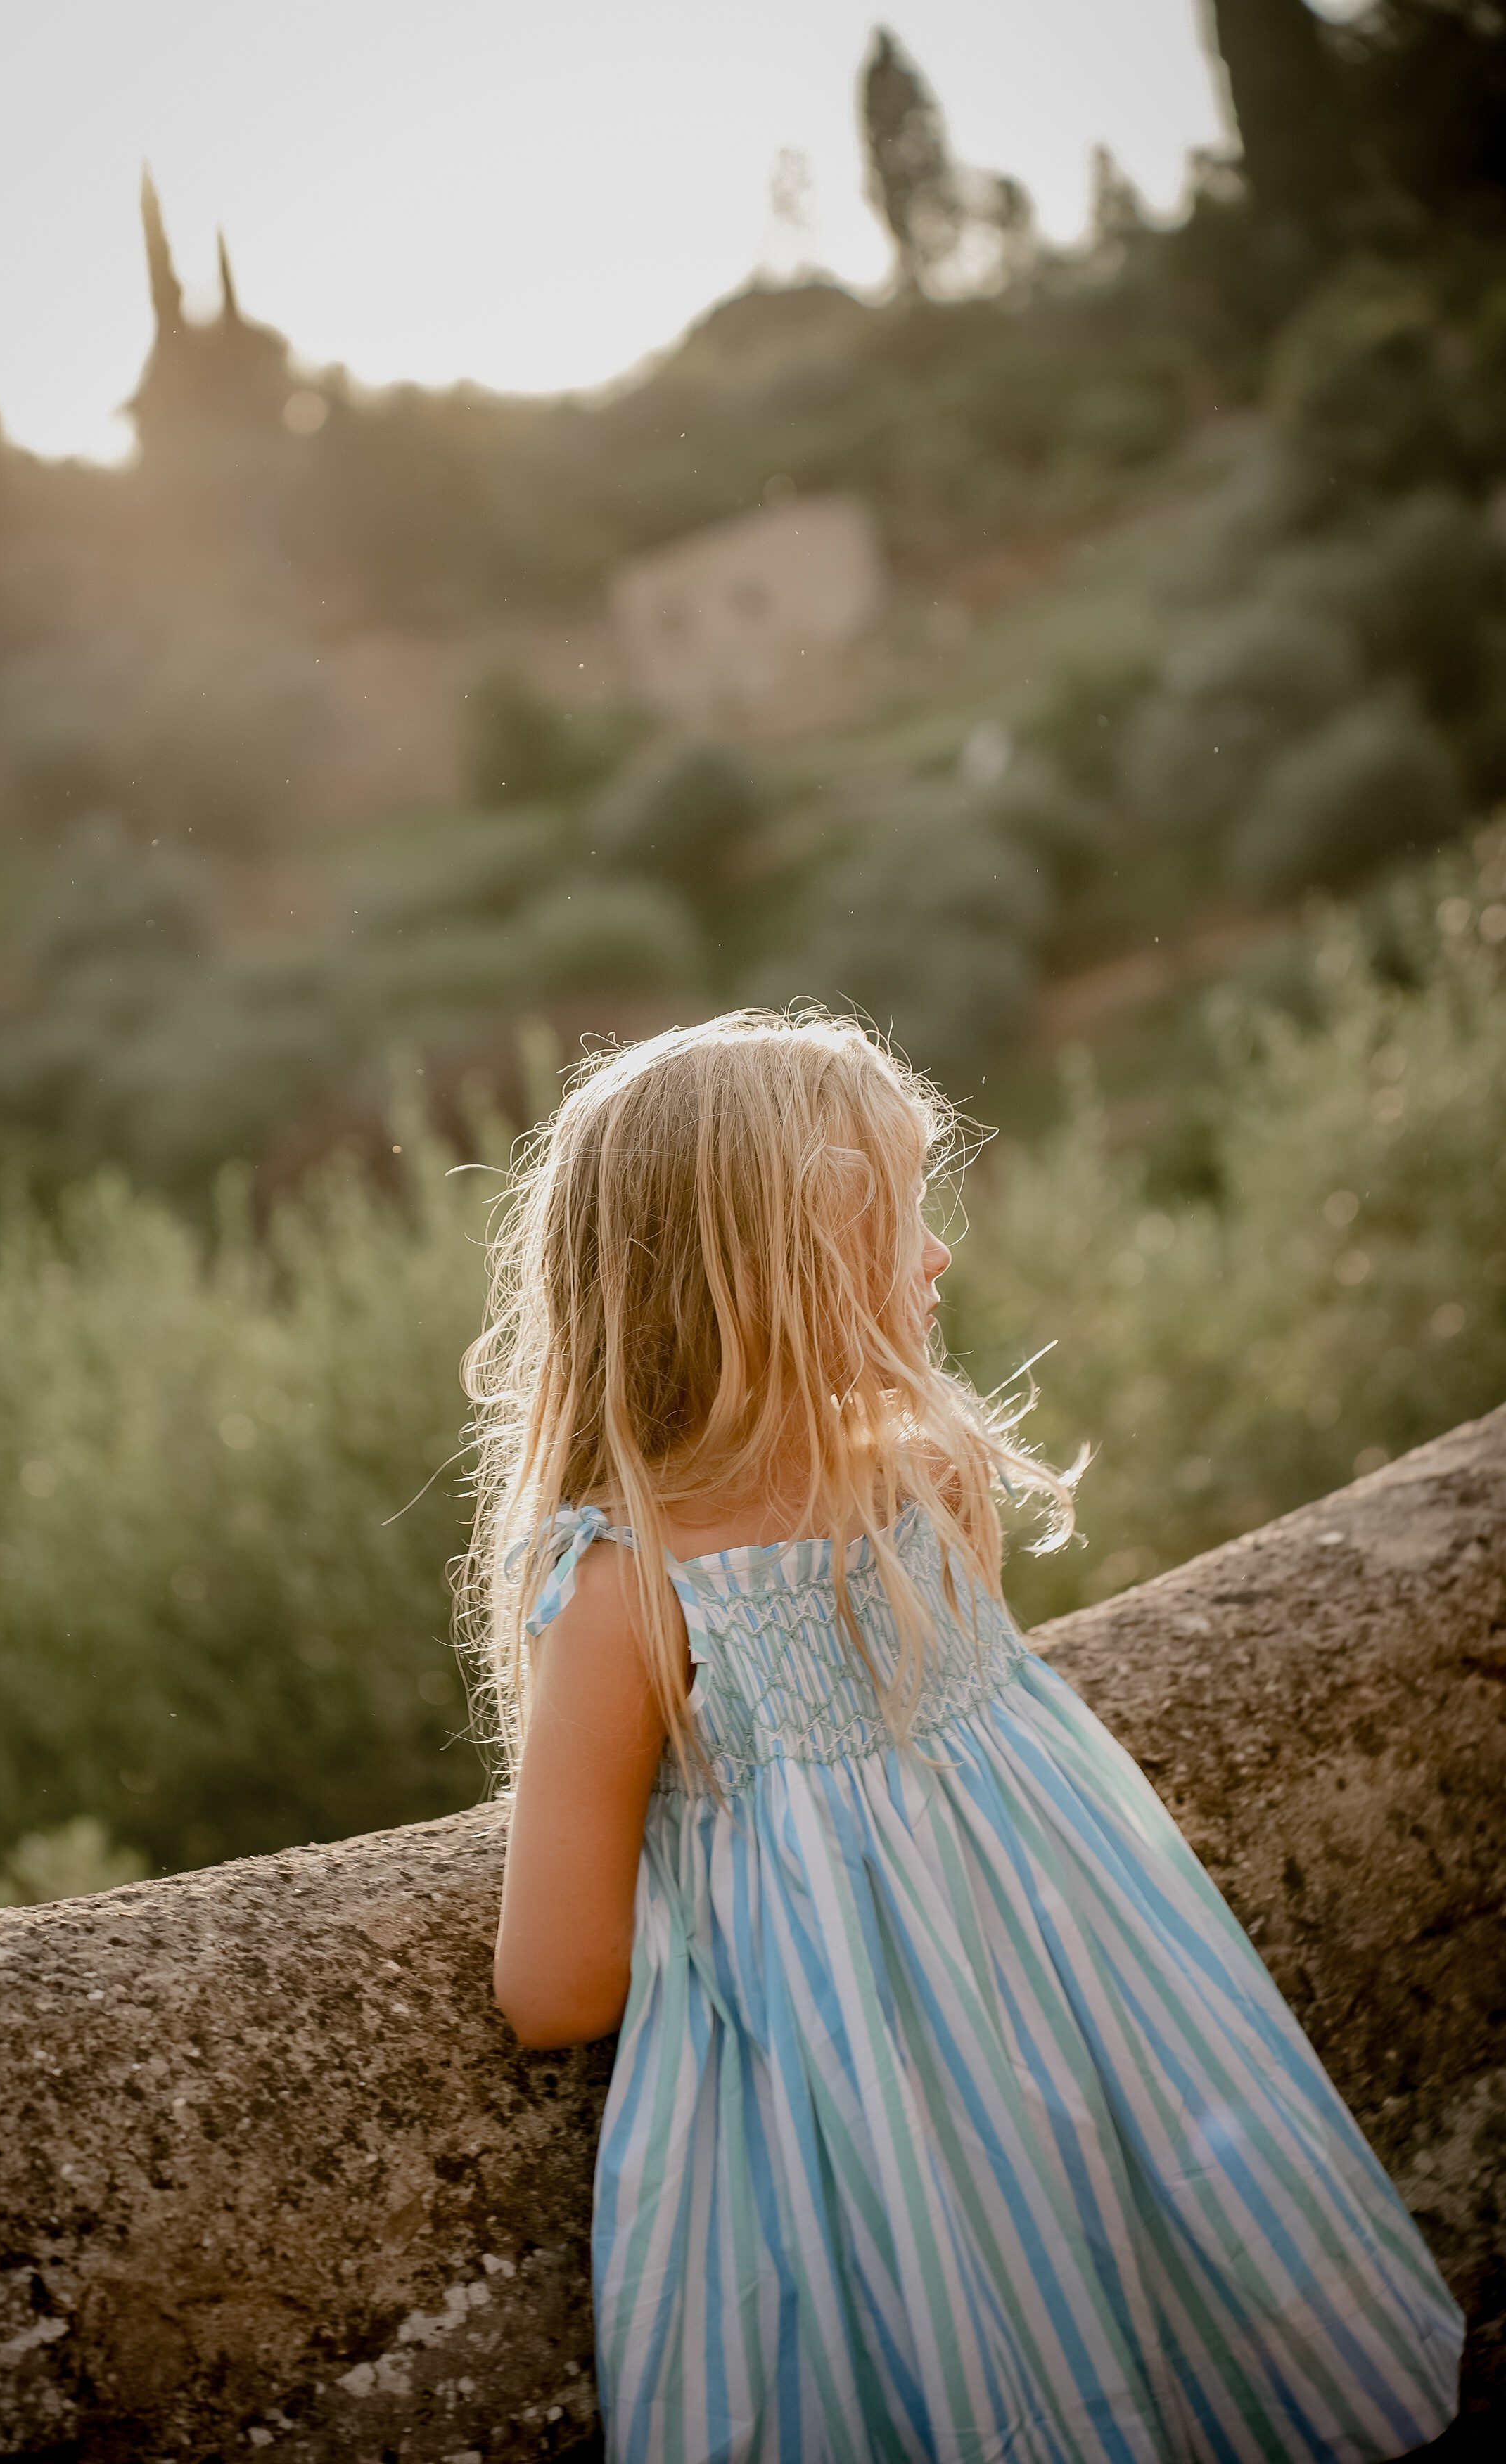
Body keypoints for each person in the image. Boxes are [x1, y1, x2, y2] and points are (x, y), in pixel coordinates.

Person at [464, 1010, 1462, 2464]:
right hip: (1095, 2049)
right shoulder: (922, 1482)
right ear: (766, 1274)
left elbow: (557, 1983)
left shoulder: (627, 1590)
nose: (937, 1258)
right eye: (897, 1218)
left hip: (860, 2137)